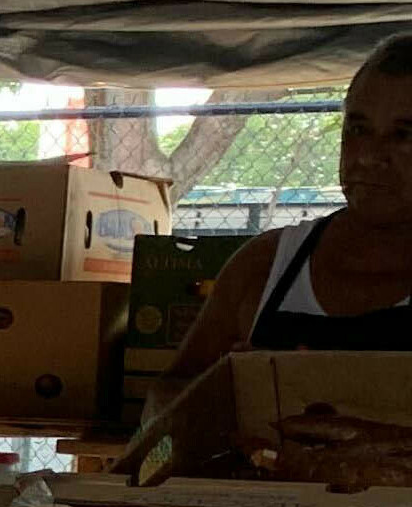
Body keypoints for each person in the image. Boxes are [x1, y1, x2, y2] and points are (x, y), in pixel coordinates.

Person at [159, 35, 412, 385]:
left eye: (403, 135)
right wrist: (216, 402)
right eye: (358, 129)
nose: (369, 156)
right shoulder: (265, 264)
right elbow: (160, 411)